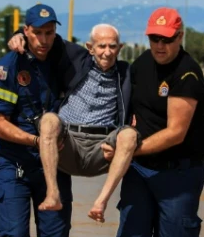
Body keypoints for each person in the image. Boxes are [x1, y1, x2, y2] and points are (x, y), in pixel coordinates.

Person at [111, 7, 204, 237]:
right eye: (154, 38)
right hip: (141, 171)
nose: (159, 46)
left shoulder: (187, 74)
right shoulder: (140, 65)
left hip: (178, 174)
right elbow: (94, 64)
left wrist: (128, 150)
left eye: (166, 39)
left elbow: (175, 133)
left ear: (180, 37)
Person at [0, 4, 73, 237]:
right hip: (15, 165)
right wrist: (37, 141)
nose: (43, 39)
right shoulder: (7, 67)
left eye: (49, 33)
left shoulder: (63, 59)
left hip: (55, 168)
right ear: (26, 32)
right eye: (37, 32)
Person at [8, 23, 138, 223]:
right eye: (101, 46)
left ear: (120, 48)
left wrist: (130, 133)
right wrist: (19, 35)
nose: (107, 52)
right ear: (90, 47)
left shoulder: (127, 73)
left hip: (102, 148)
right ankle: (53, 194)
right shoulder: (76, 58)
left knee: (130, 135)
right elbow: (47, 38)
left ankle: (101, 203)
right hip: (68, 144)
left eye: (112, 46)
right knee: (49, 120)